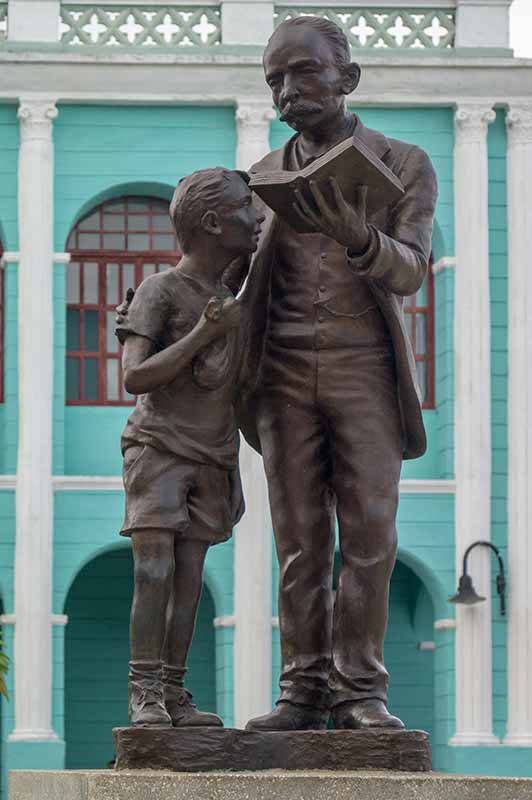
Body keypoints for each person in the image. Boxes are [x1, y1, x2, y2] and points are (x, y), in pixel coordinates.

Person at [239, 16, 438, 731]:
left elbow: (411, 270)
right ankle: (303, 691)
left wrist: (360, 236)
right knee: (299, 540)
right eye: (275, 81)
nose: (287, 92)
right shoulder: (262, 177)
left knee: (371, 534)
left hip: (365, 369)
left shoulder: (403, 163)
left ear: (347, 78)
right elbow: (231, 275)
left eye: (302, 73)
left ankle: (360, 692)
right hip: (281, 373)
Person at [116, 168, 264, 727]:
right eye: (246, 209)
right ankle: (145, 692)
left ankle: (174, 692)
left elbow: (232, 390)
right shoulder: (160, 290)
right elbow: (134, 378)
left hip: (213, 452)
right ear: (212, 222)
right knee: (154, 570)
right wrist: (204, 332)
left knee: (190, 579)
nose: (256, 219)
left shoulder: (228, 299)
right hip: (158, 447)